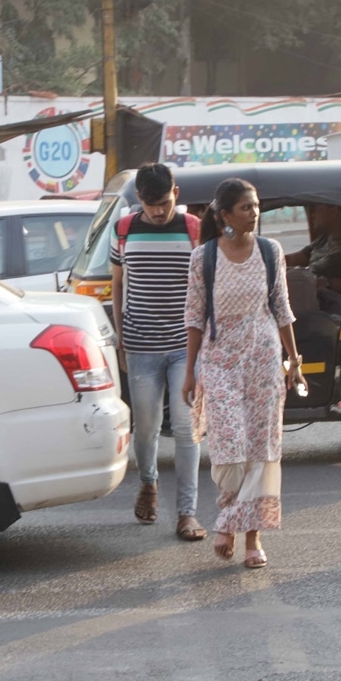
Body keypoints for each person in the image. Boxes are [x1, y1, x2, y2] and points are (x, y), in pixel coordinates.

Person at [181, 178, 307, 569]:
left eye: (256, 206)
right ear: (225, 216)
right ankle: (230, 517)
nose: (254, 213)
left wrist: (295, 362)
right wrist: (190, 372)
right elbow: (194, 317)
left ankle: (248, 536)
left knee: (260, 450)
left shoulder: (270, 252)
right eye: (246, 207)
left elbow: (282, 309)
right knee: (229, 449)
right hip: (220, 364)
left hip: (263, 361)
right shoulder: (204, 258)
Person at [111, 163, 206, 541]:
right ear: (139, 201)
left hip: (185, 346)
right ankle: (148, 483)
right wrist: (121, 336)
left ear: (176, 194)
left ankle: (187, 513)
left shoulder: (193, 229)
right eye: (150, 204)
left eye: (164, 203)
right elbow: (118, 284)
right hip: (140, 346)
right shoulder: (123, 229)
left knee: (186, 429)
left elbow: (203, 289)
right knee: (146, 428)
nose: (157, 211)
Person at [284, 203, 341, 318]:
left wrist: (328, 283)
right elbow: (294, 259)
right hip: (313, 297)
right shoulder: (323, 240)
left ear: (334, 211)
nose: (312, 215)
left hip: (338, 307)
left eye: (317, 209)